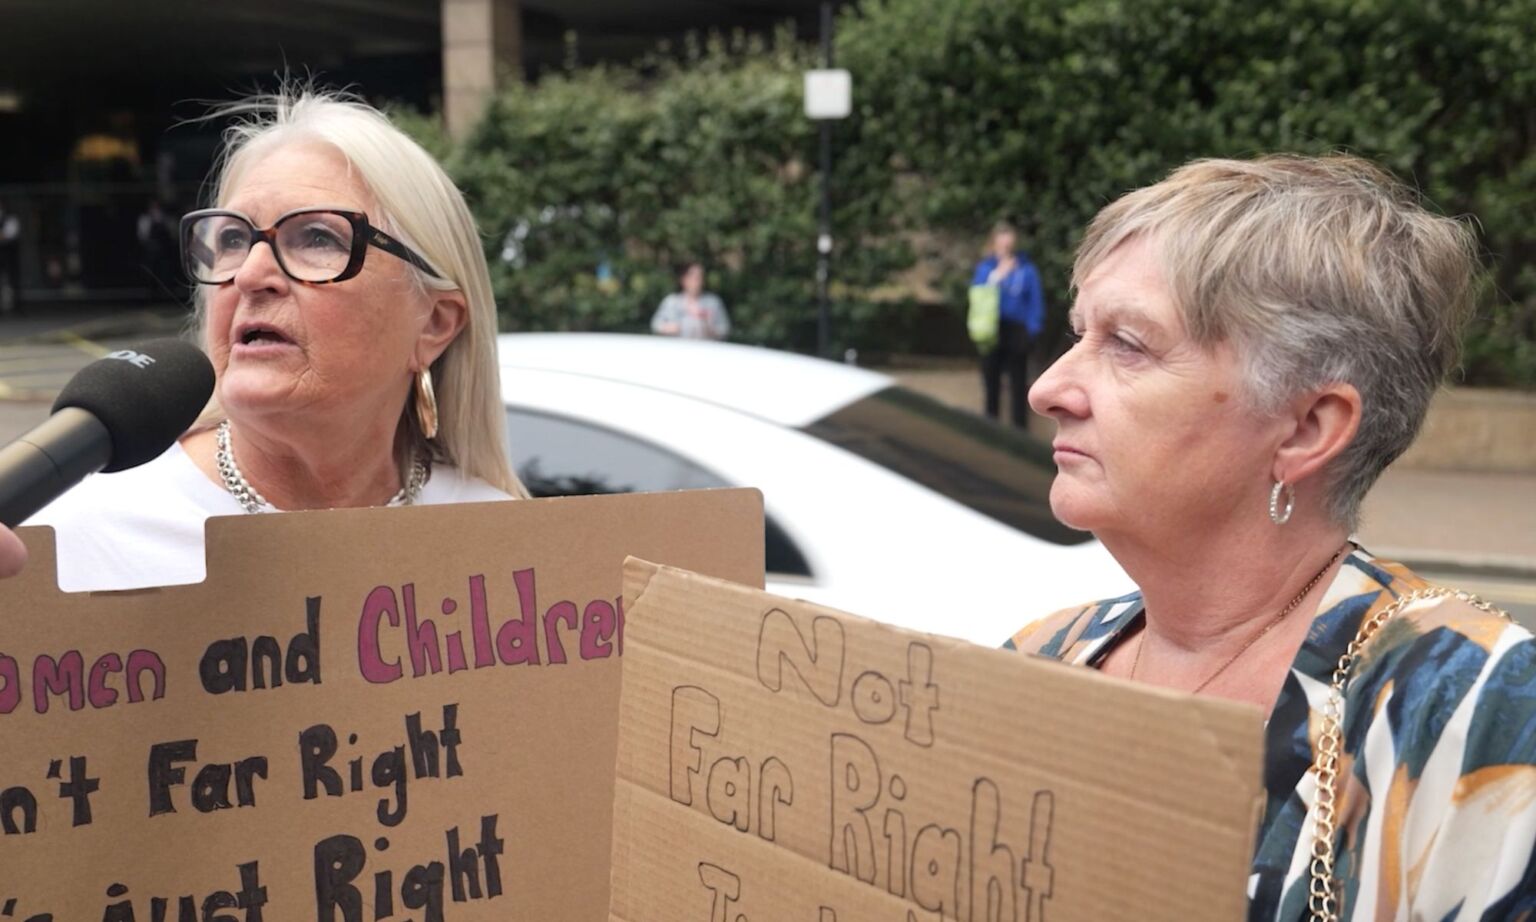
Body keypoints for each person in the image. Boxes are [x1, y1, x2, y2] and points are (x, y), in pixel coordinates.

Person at [1007, 156, 1535, 920]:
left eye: (1127, 344)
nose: (1048, 388)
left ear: (1307, 429)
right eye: (1077, 332)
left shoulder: (1470, 708)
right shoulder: (1038, 661)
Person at [26, 88, 527, 593]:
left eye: (317, 238)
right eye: (233, 240)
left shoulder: (511, 551)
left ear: (434, 324)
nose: (250, 274)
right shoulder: (64, 540)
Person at [971, 222, 1045, 427]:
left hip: (1017, 329)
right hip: (991, 329)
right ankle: (990, 426)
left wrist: (1033, 329)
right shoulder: (986, 268)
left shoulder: (1026, 269)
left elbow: (1034, 301)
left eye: (1009, 241)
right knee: (991, 380)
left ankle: (1019, 430)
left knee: (1018, 382)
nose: (1005, 245)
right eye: (1001, 241)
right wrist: (996, 277)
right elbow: (977, 295)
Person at [651, 261, 730, 340]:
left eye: (699, 277)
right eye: (693, 277)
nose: (697, 281)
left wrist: (709, 328)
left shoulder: (713, 302)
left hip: (706, 349)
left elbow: (724, 330)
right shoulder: (671, 301)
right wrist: (672, 328)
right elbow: (655, 325)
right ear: (683, 279)